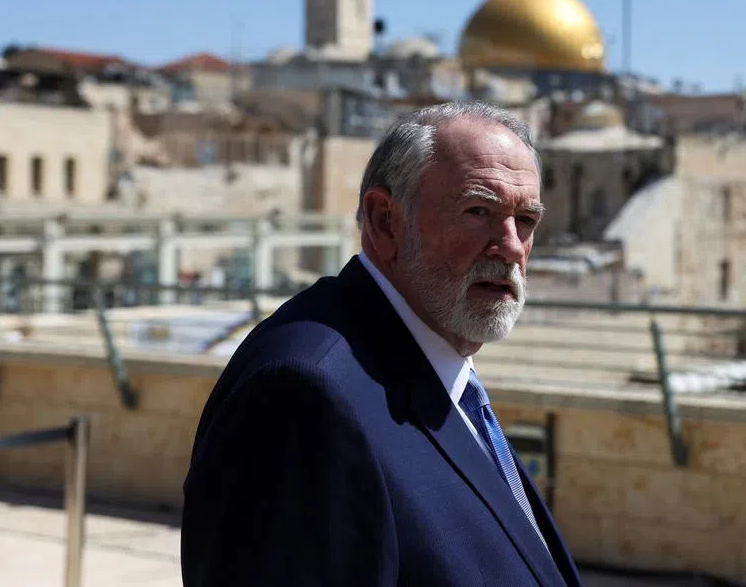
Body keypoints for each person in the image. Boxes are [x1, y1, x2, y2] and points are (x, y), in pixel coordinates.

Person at [181, 101, 582, 587]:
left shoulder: (438, 366)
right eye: (479, 211)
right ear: (385, 221)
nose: (512, 246)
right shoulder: (306, 392)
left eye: (526, 221)